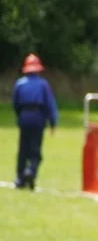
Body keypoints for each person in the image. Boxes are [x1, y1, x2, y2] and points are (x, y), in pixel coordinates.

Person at [12, 54, 58, 190]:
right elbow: (49, 104)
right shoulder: (43, 84)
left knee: (23, 150)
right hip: (38, 117)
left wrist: (20, 117)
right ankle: (31, 172)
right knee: (35, 150)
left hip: (24, 116)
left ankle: (20, 178)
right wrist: (53, 122)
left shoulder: (19, 83)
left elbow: (15, 104)